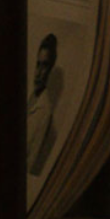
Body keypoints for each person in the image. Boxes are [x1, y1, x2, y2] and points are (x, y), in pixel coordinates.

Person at [27, 31, 64, 179]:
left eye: (45, 66)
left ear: (50, 70)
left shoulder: (45, 113)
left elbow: (31, 162)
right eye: (38, 64)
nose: (39, 73)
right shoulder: (28, 97)